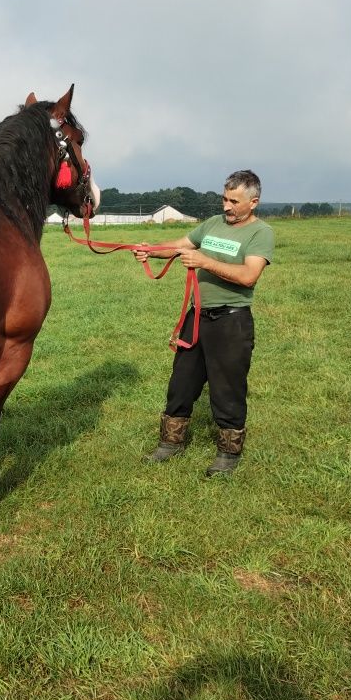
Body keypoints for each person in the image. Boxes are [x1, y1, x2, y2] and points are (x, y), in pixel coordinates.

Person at [134, 170, 274, 476]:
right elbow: (181, 245)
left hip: (232, 322)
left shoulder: (260, 233)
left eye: (234, 201)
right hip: (197, 318)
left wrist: (204, 261)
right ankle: (170, 443)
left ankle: (228, 453)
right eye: (224, 198)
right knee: (181, 382)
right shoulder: (212, 224)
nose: (226, 206)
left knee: (227, 389)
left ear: (254, 202)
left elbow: (249, 275)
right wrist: (152, 251)